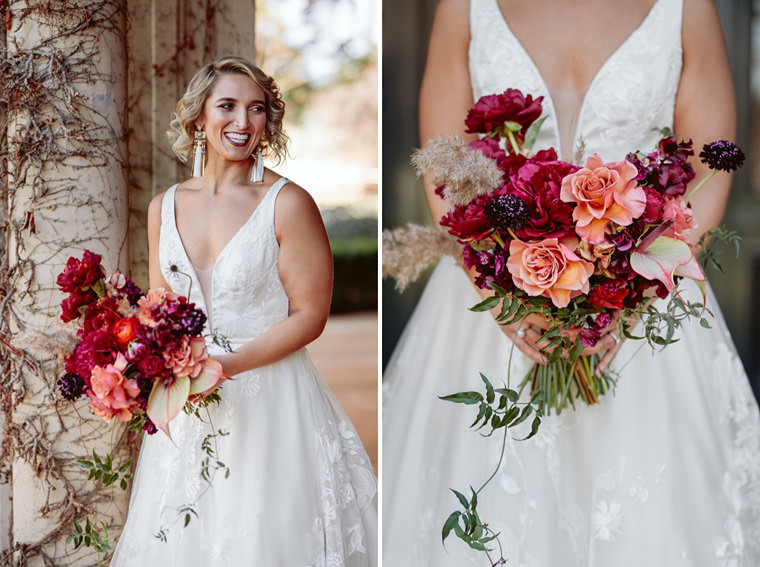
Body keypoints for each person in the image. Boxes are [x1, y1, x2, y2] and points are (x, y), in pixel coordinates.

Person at [383, 0, 760, 565]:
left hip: (645, 295)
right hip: (493, 297)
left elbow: (707, 175)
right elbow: (446, 170)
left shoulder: (687, 6)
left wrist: (629, 299)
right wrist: (504, 291)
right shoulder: (463, 5)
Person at [110, 56, 377, 566]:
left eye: (256, 109)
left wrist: (225, 367)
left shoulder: (287, 202)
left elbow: (310, 314)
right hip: (186, 405)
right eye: (227, 106)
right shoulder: (163, 207)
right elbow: (160, 310)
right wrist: (136, 365)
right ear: (198, 119)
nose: (242, 121)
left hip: (271, 399)